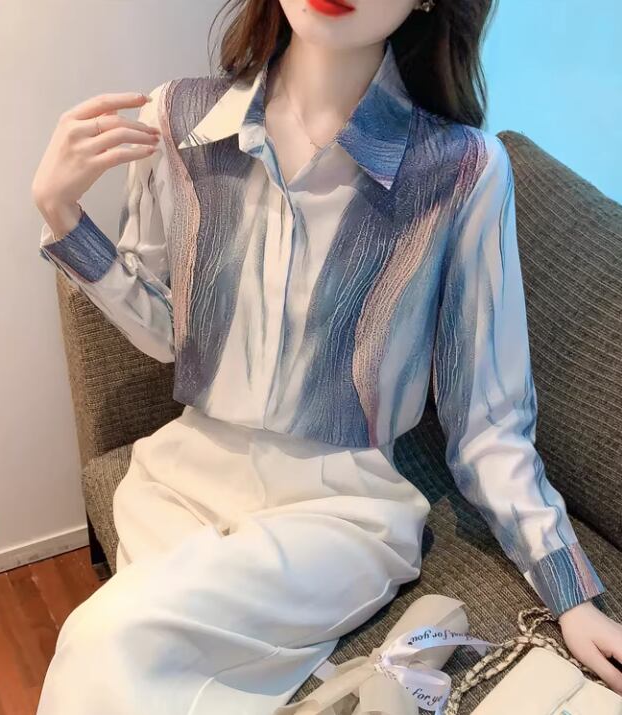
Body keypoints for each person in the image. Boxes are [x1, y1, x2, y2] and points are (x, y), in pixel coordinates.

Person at [31, 0, 622, 712]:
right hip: (180, 485)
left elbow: (487, 422)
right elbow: (168, 335)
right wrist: (64, 217)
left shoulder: (461, 171)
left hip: (340, 512)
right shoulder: (181, 120)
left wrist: (570, 591)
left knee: (105, 639)